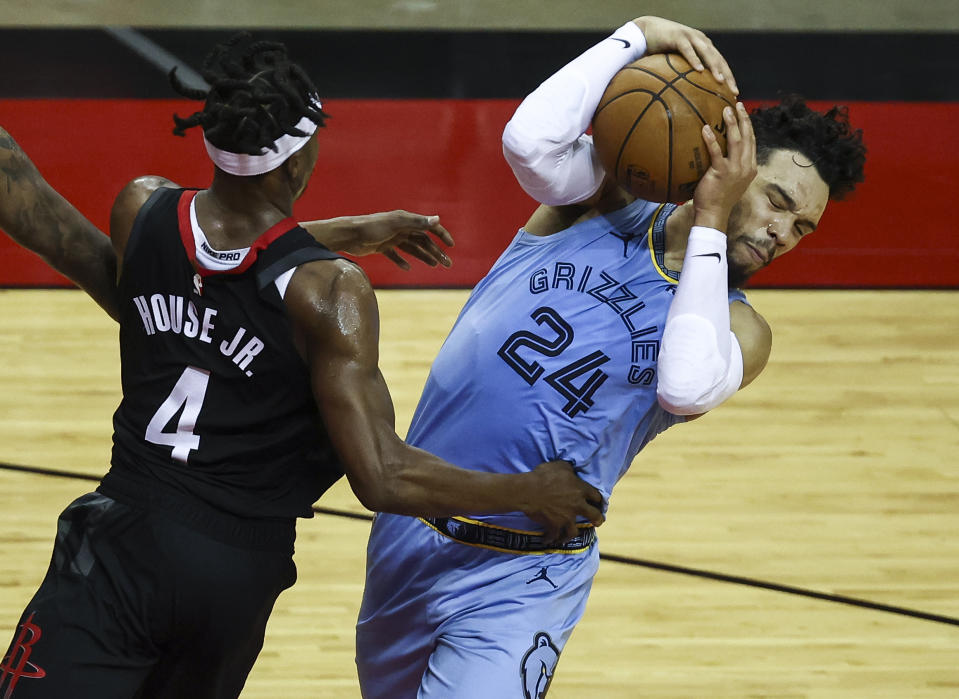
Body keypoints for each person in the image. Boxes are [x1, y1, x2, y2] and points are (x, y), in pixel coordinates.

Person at [0, 33, 604, 698]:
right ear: (296, 163)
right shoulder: (329, 293)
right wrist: (530, 490)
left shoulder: (141, 208)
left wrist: (347, 229)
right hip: (233, 570)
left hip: (121, 538)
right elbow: (381, 474)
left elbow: (200, 261)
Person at [355, 14, 866, 698]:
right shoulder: (602, 202)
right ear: (729, 162)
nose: (782, 233)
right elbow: (529, 143)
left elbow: (683, 386)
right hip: (410, 528)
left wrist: (713, 219)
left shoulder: (739, 330)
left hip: (523, 577)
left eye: (801, 227)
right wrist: (636, 34)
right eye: (777, 201)